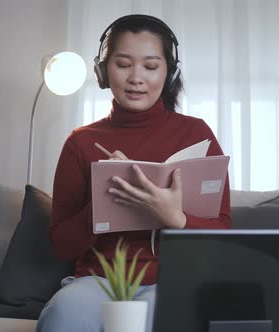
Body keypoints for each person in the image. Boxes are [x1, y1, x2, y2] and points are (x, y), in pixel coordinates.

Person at [36, 14, 232, 332]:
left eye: (151, 66)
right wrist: (105, 203)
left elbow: (223, 235)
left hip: (173, 281)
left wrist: (175, 218)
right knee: (64, 312)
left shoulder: (198, 134)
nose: (136, 78)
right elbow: (61, 245)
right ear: (103, 71)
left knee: (162, 316)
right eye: (123, 64)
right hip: (99, 281)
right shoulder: (81, 141)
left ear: (169, 74)